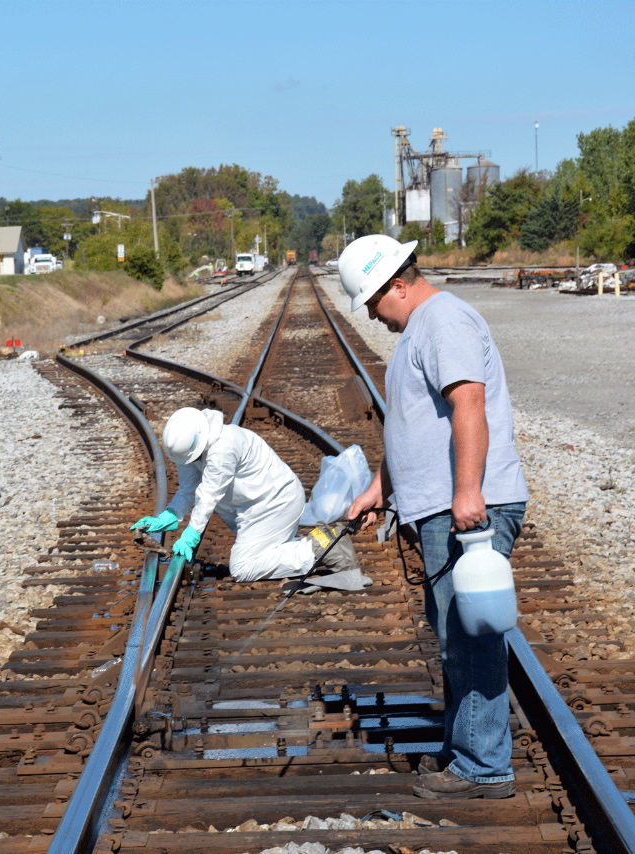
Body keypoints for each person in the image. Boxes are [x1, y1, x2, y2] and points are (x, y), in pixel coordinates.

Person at [340, 234, 528, 800]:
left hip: (465, 505)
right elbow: (415, 426)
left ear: (397, 284)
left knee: (469, 639)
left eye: (373, 304)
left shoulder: (443, 321)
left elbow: (468, 402)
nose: (372, 316)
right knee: (455, 637)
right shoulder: (422, 329)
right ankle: (468, 748)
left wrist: (467, 492)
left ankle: (483, 768)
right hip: (443, 505)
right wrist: (382, 485)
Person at [131, 407, 363, 586]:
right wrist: (168, 516)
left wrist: (191, 533)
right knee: (259, 555)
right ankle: (312, 543)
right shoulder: (192, 449)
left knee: (243, 568)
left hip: (276, 503)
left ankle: (320, 547)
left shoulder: (224, 446)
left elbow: (208, 495)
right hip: (252, 508)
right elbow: (188, 490)